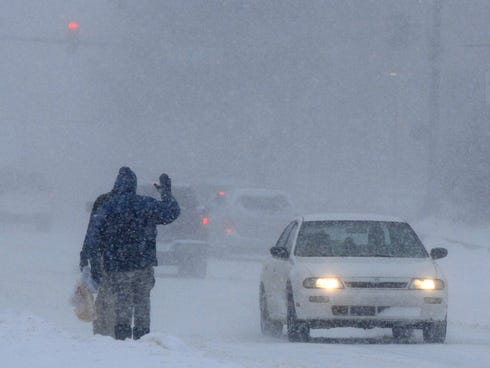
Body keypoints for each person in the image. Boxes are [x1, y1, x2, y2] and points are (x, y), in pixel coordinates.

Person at [84, 167, 180, 340]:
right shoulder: (145, 204)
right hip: (144, 263)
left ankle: (122, 335)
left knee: (123, 301)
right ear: (134, 185)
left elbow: (94, 234)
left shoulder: (108, 206)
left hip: (118, 265)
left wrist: (87, 257)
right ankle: (143, 335)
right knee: (143, 300)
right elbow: (171, 212)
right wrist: (166, 192)